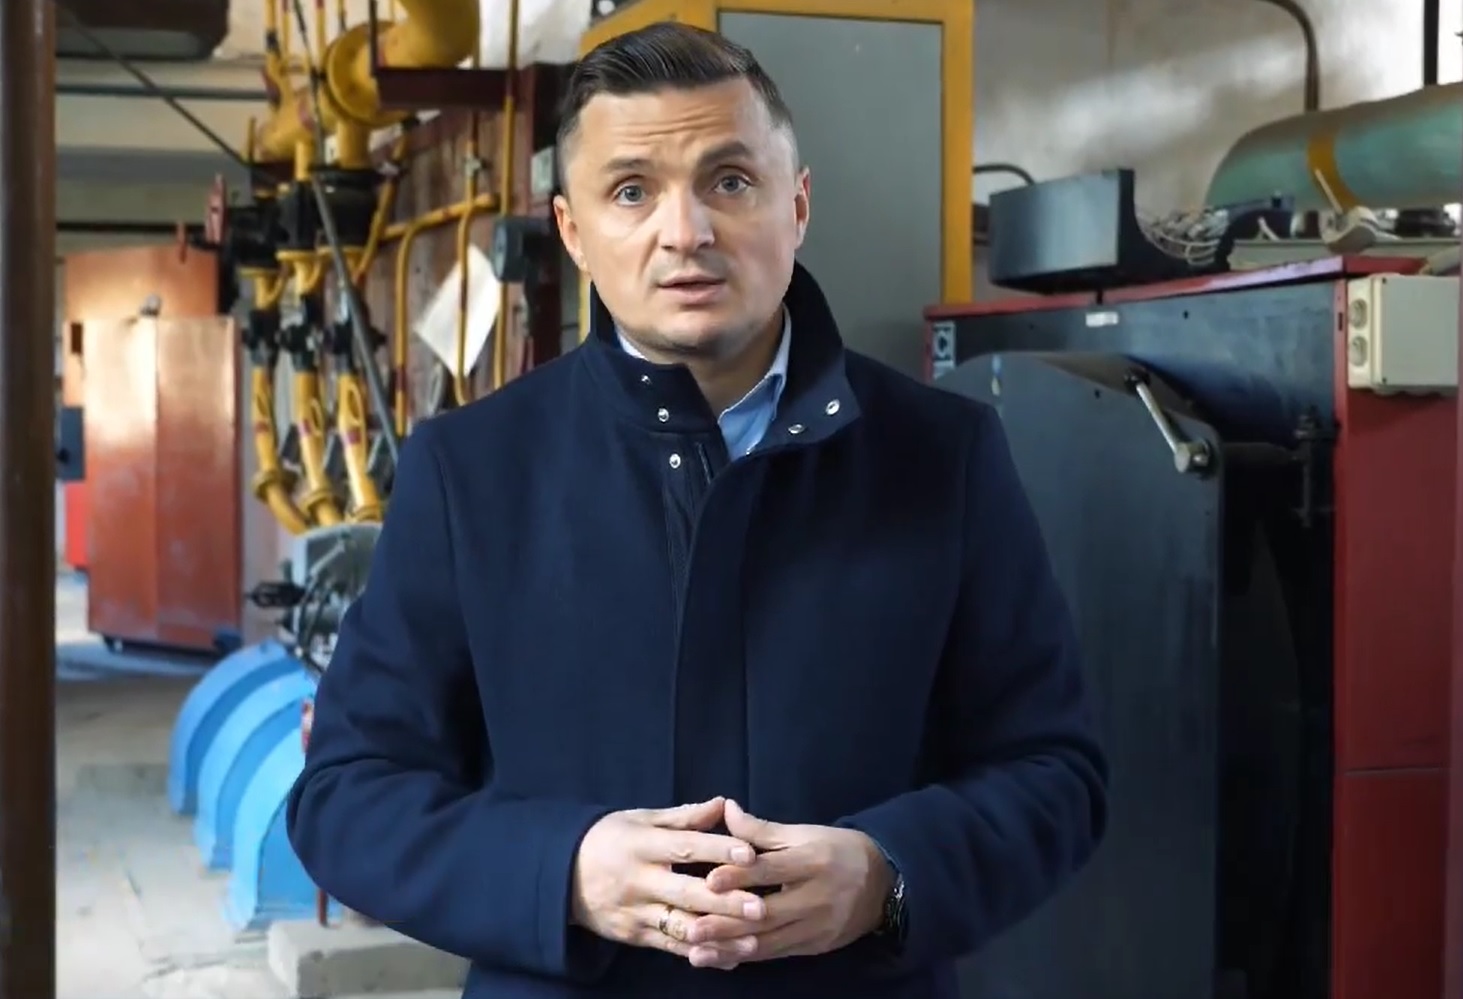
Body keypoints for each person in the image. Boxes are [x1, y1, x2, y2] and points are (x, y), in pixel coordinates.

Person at [287, 21, 1108, 999]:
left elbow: (1053, 771)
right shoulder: (472, 472)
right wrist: (562, 872)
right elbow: (347, 795)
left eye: (728, 181)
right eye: (631, 191)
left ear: (795, 206)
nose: (685, 232)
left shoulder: (942, 456)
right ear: (572, 232)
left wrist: (887, 874)